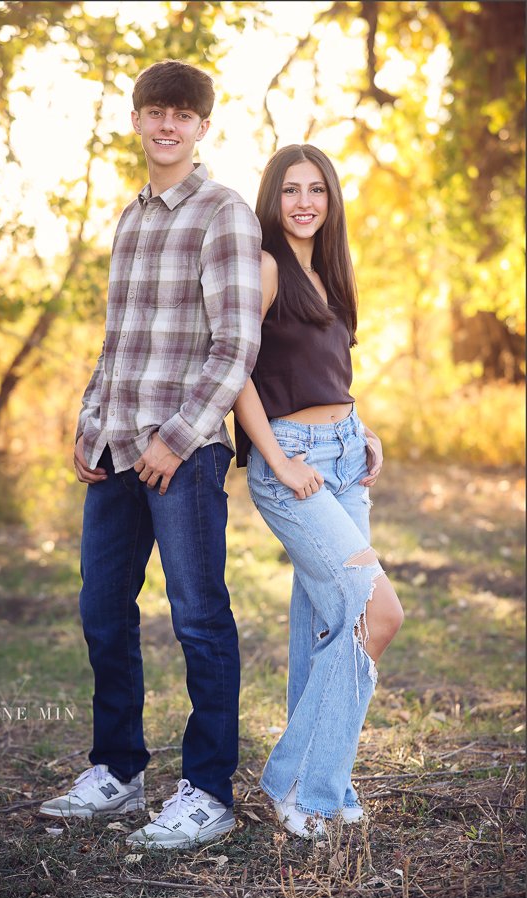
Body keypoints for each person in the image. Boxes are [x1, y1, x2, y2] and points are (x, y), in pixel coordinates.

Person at [39, 59, 263, 849]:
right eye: (153, 111)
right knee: (103, 614)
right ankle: (119, 771)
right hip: (115, 447)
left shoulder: (225, 214)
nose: (166, 125)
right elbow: (117, 340)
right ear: (136, 121)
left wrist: (173, 439)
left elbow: (236, 344)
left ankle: (207, 790)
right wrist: (88, 419)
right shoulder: (130, 218)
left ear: (203, 126)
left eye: (181, 114)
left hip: (184, 453)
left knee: (199, 620)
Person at [233, 144, 404, 836]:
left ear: (331, 199)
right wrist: (275, 459)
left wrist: (363, 429)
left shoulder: (329, 272)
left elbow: (327, 371)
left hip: (341, 456)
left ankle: (311, 782)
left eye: (317, 190)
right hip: (292, 465)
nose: (304, 203)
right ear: (272, 199)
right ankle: (304, 782)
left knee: (329, 625)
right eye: (290, 191)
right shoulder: (267, 267)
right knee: (378, 612)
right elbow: (234, 371)